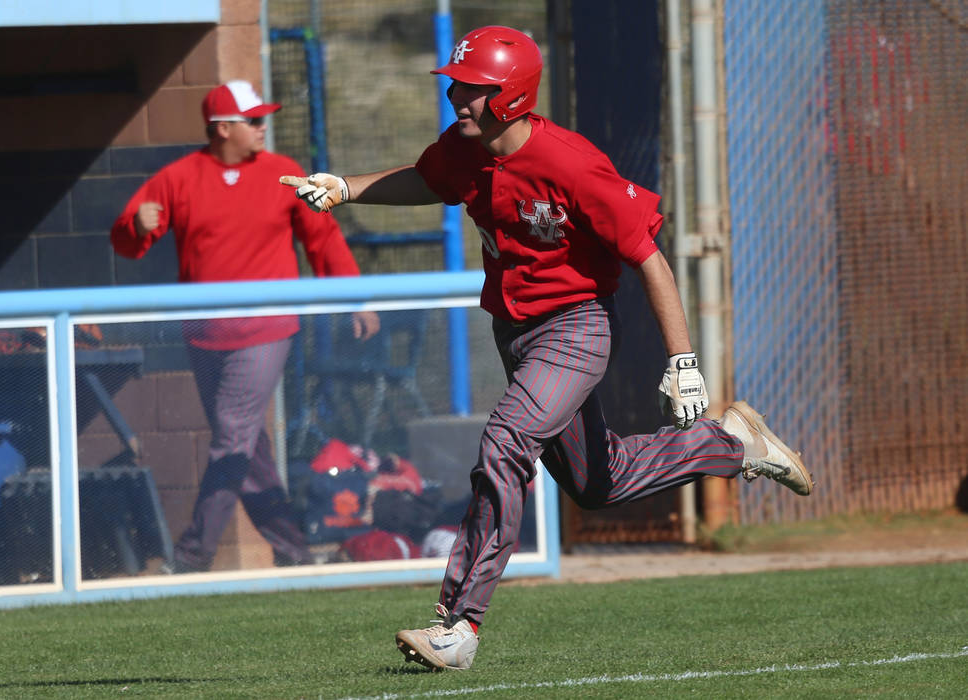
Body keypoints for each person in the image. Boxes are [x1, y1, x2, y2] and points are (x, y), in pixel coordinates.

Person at [282, 26, 813, 670]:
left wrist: (683, 362)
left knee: (505, 442)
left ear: (510, 94)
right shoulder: (465, 148)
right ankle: (731, 444)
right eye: (457, 86)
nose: (459, 99)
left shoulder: (570, 162)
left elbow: (650, 257)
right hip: (517, 332)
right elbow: (428, 179)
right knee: (597, 483)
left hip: (575, 327)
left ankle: (458, 624)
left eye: (474, 89)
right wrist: (346, 187)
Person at [111, 80, 379, 572]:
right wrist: (137, 225)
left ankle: (191, 557)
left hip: (267, 330)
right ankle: (295, 550)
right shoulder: (180, 177)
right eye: (252, 120)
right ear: (223, 128)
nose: (262, 127)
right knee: (247, 450)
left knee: (231, 438)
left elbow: (322, 239)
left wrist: (355, 298)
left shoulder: (284, 173)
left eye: (263, 118)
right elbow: (128, 241)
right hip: (205, 334)